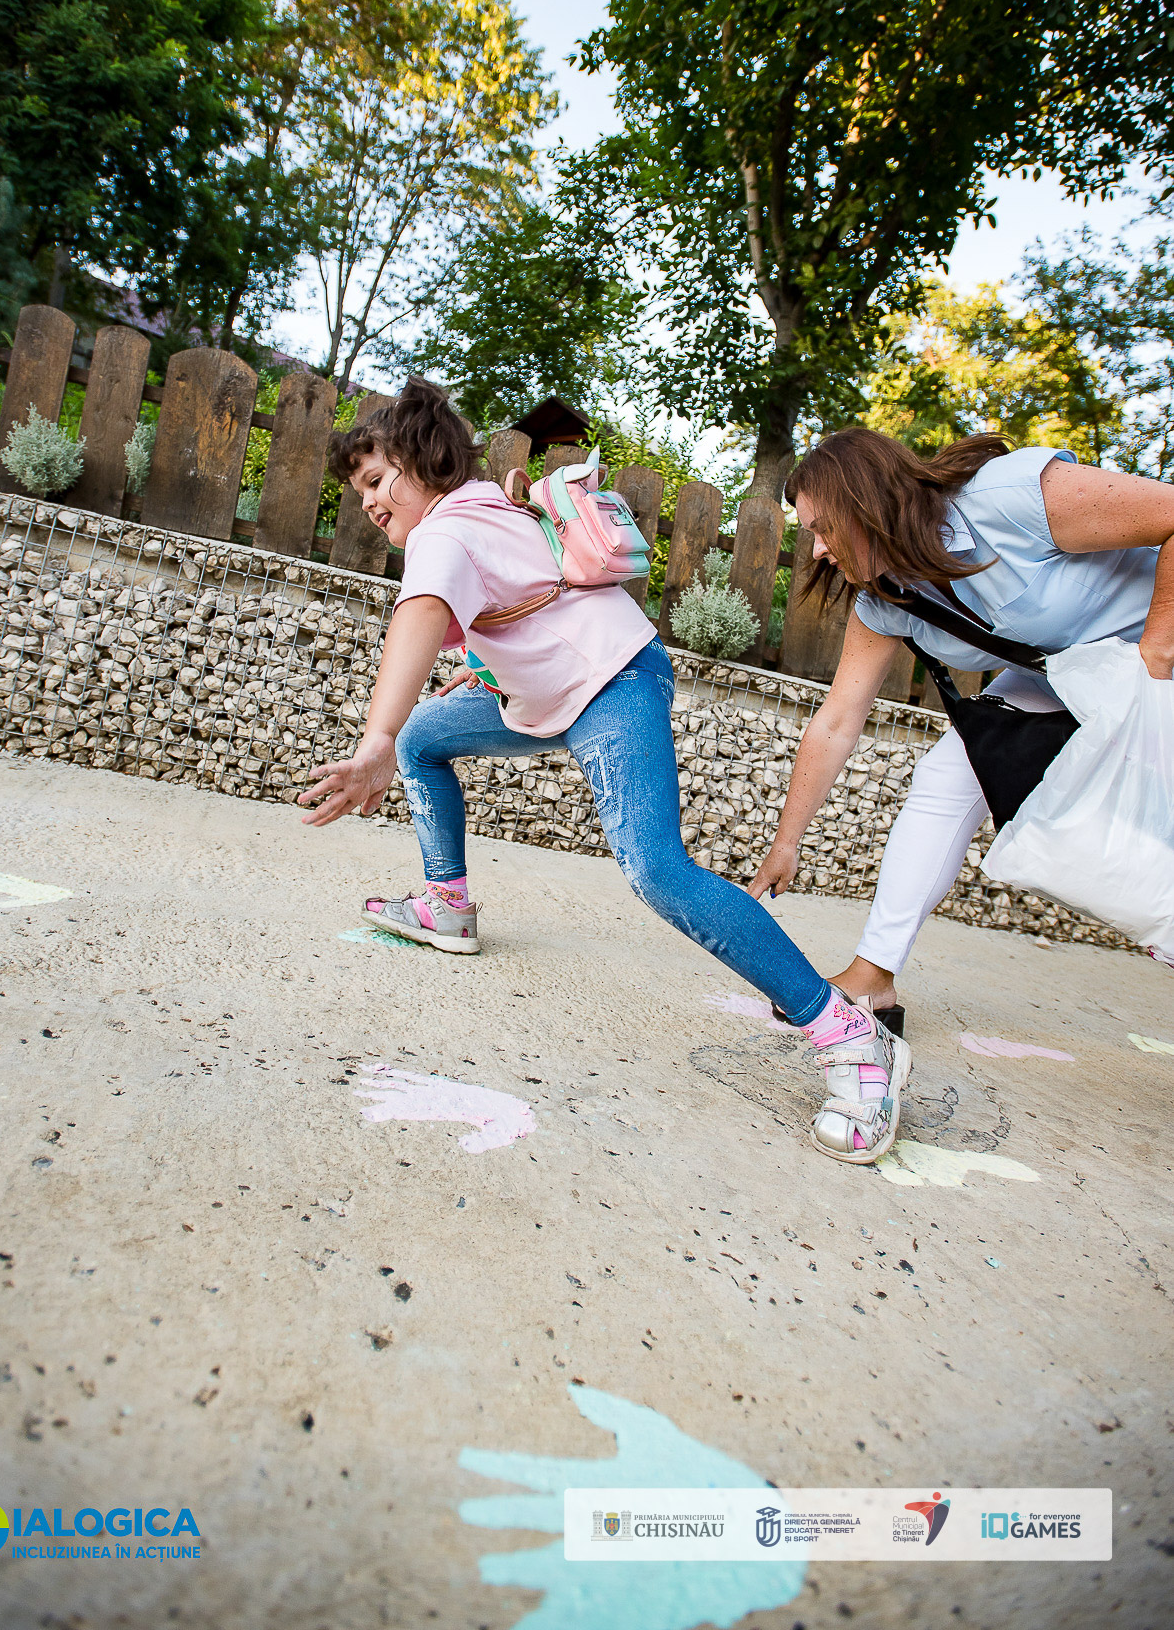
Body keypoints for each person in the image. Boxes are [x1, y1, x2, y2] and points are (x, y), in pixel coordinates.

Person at [297, 378, 911, 1164]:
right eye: (358, 492)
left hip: (613, 683)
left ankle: (848, 1033)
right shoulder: (484, 509)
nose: (368, 503)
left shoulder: (445, 531)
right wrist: (476, 675)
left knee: (656, 870)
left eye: (378, 481)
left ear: (424, 464)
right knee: (427, 740)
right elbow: (523, 605)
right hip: (552, 693)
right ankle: (446, 905)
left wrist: (375, 739)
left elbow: (418, 615)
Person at [749, 427, 1174, 1016]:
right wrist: (786, 844)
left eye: (823, 528)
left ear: (866, 501)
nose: (817, 549)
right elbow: (837, 721)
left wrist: (1154, 659)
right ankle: (873, 977)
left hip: (1154, 658)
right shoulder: (887, 598)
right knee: (947, 775)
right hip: (1070, 673)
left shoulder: (1009, 498)